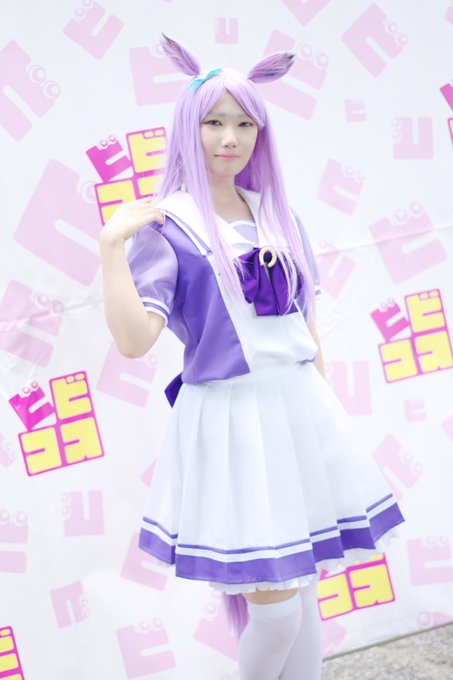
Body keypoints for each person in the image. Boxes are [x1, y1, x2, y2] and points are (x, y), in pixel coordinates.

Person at [99, 34, 405, 680]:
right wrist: (110, 248)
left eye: (244, 124)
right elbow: (133, 342)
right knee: (276, 613)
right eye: (213, 122)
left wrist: (323, 411)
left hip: (297, 412)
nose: (229, 138)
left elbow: (306, 324)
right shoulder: (169, 226)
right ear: (188, 126)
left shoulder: (276, 215)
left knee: (303, 596)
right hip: (233, 425)